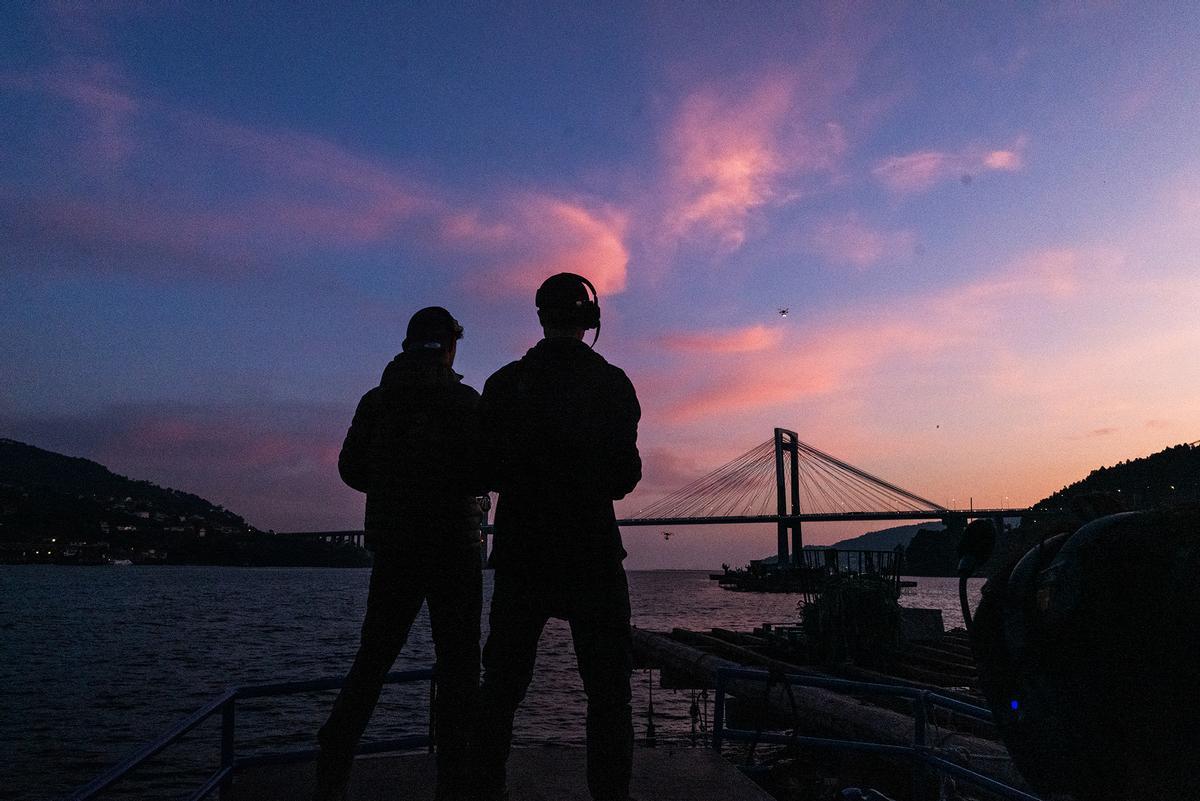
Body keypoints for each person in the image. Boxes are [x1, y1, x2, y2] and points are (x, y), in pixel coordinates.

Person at [473, 273, 642, 801]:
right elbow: (623, 478)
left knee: (501, 689)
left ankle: (484, 790)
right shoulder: (613, 383)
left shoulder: (503, 384)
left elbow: (484, 469)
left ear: (541, 316)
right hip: (591, 553)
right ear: (590, 320)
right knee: (609, 693)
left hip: (523, 554)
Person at [314, 306, 484, 801]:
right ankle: (455, 780)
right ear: (449, 346)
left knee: (374, 659)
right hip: (455, 549)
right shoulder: (465, 402)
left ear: (408, 344)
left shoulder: (378, 401)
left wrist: (391, 486)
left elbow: (350, 468)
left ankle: (334, 758)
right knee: (459, 667)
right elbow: (487, 469)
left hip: (396, 550)